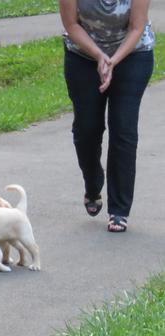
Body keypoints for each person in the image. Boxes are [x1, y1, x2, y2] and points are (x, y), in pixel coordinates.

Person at [59, 0, 154, 233]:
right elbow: (71, 24)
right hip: (82, 56)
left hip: (133, 55)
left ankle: (119, 211)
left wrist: (112, 61)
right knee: (87, 130)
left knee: (123, 128)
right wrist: (100, 56)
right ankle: (93, 184)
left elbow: (136, 27)